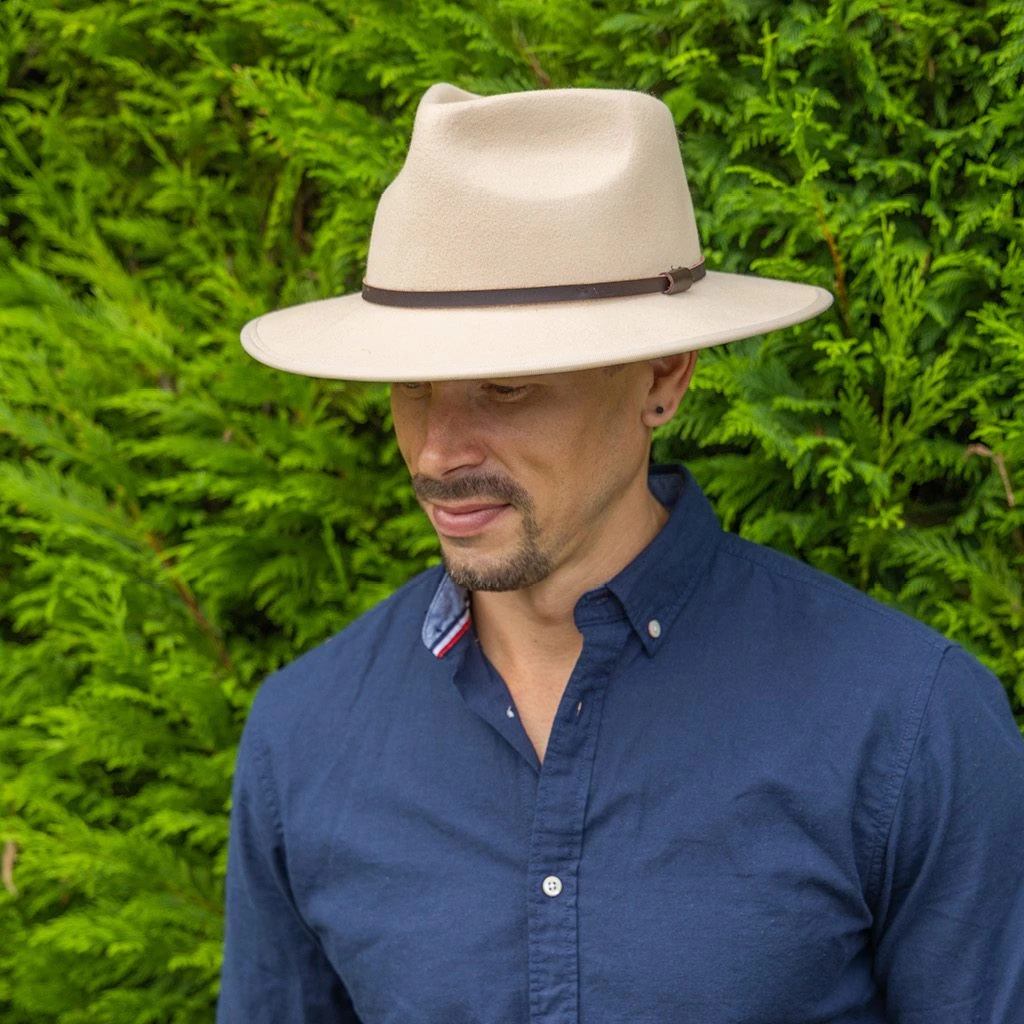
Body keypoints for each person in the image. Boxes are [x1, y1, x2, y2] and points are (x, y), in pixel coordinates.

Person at [217, 82, 1024, 1023]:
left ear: (662, 379)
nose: (436, 453)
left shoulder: (906, 724)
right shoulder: (306, 736)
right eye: (413, 388)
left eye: (505, 389)